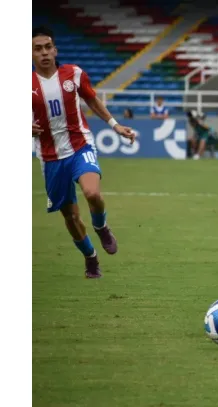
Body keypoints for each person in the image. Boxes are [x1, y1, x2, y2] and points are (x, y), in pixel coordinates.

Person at [32, 26, 136, 278]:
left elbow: (92, 99)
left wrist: (115, 125)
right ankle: (91, 258)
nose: (44, 52)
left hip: (80, 146)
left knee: (92, 193)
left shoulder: (74, 74)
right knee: (71, 218)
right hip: (50, 158)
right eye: (38, 49)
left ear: (55, 50)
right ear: (31, 54)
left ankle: (101, 226)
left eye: (48, 47)